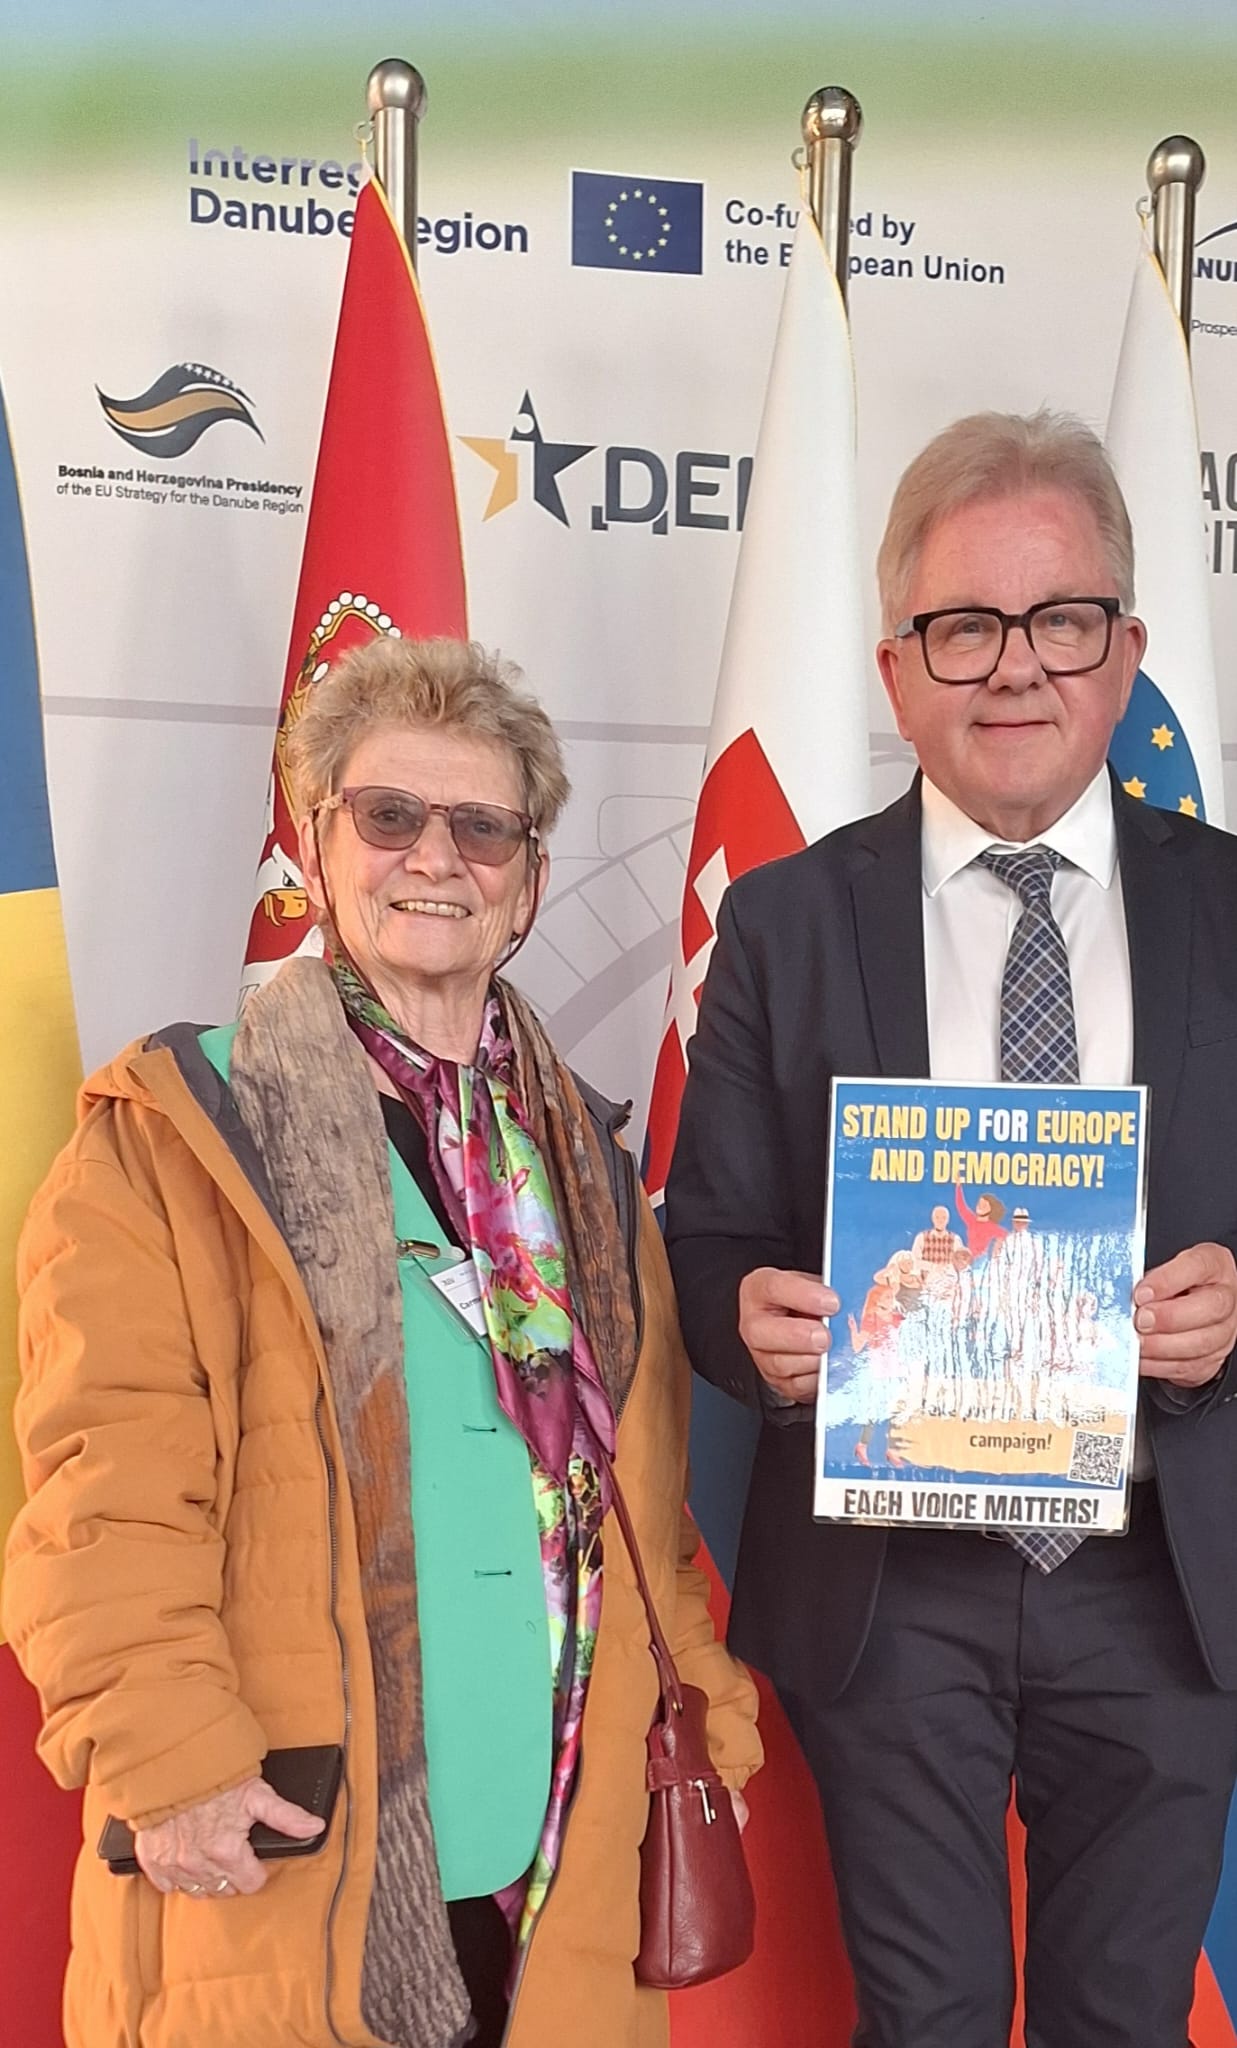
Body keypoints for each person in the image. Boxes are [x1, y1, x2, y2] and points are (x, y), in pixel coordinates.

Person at [4, 637, 761, 2048]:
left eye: (483, 827)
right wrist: (168, 1756)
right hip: (286, 1831)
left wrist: (704, 1711)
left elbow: (645, 1515)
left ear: (529, 878)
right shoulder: (175, 1139)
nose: (436, 857)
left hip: (567, 1844)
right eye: (389, 814)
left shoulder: (590, 1173)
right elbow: (101, 1499)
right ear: (315, 840)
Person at [665, 411, 1237, 2048]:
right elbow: (705, 1236)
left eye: (1059, 619)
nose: (1013, 668)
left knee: (1124, 2020)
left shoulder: (1232, 907)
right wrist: (749, 1318)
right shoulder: (784, 918)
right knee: (924, 2020)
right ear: (894, 669)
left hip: (1163, 1573)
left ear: (1125, 653)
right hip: (888, 1578)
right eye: (962, 626)